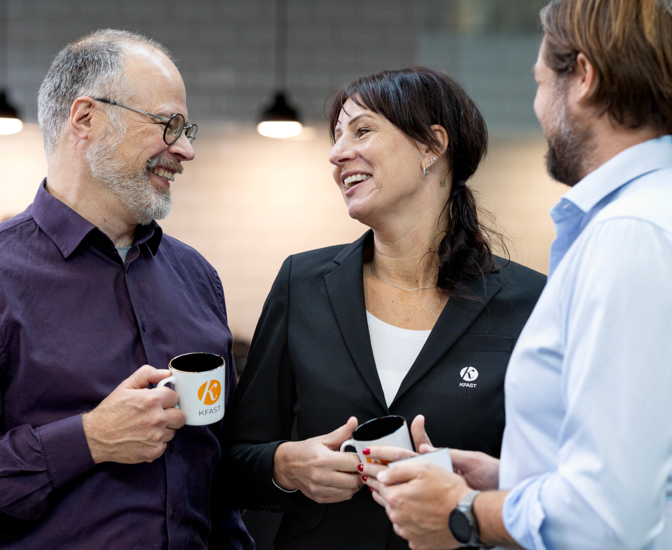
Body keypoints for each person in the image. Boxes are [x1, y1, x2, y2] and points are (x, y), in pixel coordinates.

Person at [364, 1, 672, 549]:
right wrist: (507, 482)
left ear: (583, 78)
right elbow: (649, 471)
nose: (539, 107)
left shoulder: (637, 236)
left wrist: (461, 511)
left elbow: (602, 516)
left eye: (541, 81)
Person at [0, 30, 252, 550]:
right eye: (168, 125)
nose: (186, 150)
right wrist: (89, 440)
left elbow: (216, 473)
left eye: (186, 128)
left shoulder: (196, 278)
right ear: (85, 119)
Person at [222, 67, 546, 550]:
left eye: (362, 130)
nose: (336, 154)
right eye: (335, 137)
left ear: (431, 146)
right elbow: (233, 461)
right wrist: (286, 467)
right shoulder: (302, 284)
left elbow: (556, 479)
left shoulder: (529, 300)